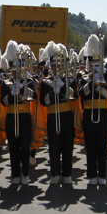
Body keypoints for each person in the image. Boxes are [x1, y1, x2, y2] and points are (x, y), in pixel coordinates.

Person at [78, 35, 107, 186]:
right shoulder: (84, 78)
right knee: (91, 145)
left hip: (104, 114)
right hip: (89, 114)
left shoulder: (106, 76)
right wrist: (92, 82)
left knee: (103, 145)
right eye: (92, 64)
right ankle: (91, 175)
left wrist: (104, 72)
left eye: (97, 64)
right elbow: (81, 93)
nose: (94, 66)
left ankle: (102, 175)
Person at [39, 42, 77, 185]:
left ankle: (67, 174)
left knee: (68, 145)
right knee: (53, 146)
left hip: (67, 116)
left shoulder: (70, 80)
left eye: (60, 65)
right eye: (55, 66)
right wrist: (52, 91)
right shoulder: (45, 82)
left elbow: (75, 96)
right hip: (53, 116)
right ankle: (55, 174)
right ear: (51, 67)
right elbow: (43, 101)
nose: (57, 68)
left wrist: (63, 87)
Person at [0, 41, 36, 184]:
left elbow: (34, 97)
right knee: (13, 146)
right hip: (11, 117)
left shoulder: (29, 81)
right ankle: (15, 174)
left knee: (25, 146)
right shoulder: (6, 83)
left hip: (25, 117)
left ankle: (25, 173)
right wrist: (12, 94)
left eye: (18, 69)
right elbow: (3, 101)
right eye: (13, 69)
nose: (16, 72)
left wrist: (23, 89)